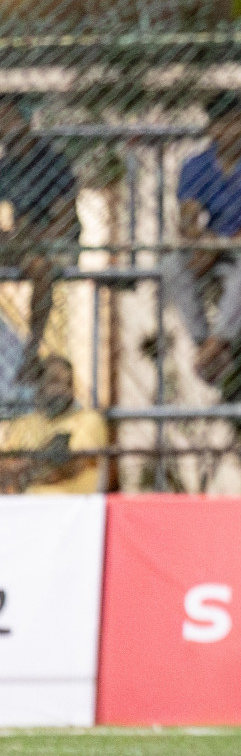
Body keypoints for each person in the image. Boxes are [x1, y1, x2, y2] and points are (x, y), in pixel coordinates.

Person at [165, 91, 241, 386]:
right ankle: (205, 342)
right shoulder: (197, 165)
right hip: (216, 242)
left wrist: (221, 245)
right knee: (171, 264)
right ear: (211, 128)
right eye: (223, 124)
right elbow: (188, 218)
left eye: (236, 122)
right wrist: (206, 242)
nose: (231, 130)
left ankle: (219, 342)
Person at [0, 95, 80, 384]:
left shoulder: (52, 161)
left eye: (8, 118)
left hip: (56, 244)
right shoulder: (5, 167)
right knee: (27, 253)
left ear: (24, 121)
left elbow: (65, 220)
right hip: (20, 243)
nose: (3, 126)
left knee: (39, 265)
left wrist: (27, 236)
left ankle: (32, 352)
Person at [0, 356, 106, 494]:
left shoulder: (89, 420)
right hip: (25, 507)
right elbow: (4, 468)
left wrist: (22, 468)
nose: (56, 389)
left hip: (70, 507)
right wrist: (44, 459)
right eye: (50, 381)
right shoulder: (23, 423)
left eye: (63, 382)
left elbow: (69, 467)